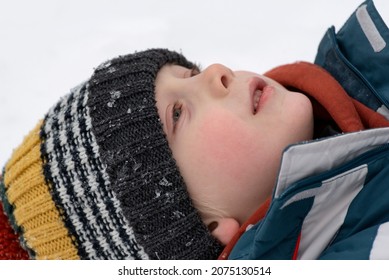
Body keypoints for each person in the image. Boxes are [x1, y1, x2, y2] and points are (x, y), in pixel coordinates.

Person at [1, 0, 388, 260]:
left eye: (191, 72)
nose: (218, 72)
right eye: (178, 114)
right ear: (206, 226)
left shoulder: (370, 50)